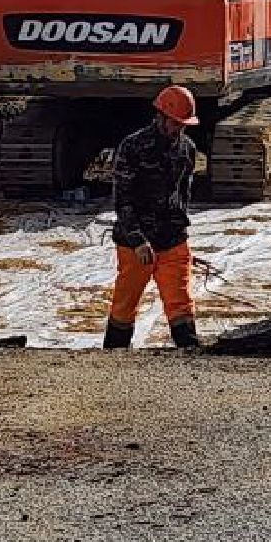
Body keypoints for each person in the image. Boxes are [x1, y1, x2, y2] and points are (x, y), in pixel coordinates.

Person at [105, 86, 203, 350]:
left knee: (181, 305)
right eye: (175, 123)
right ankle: (111, 361)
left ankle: (191, 360)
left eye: (183, 125)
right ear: (160, 116)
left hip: (172, 240)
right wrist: (137, 240)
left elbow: (182, 198)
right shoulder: (133, 147)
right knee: (125, 306)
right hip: (135, 244)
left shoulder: (187, 150)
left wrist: (180, 236)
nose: (179, 130)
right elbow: (122, 200)